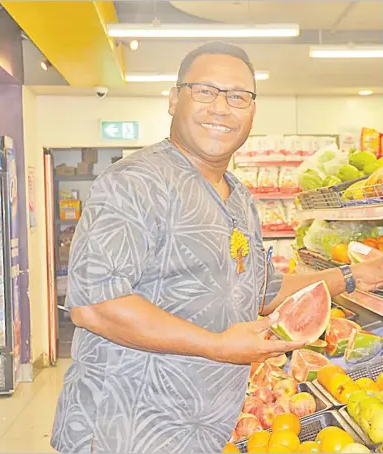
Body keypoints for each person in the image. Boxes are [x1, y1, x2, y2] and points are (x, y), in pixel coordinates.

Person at [51, 42, 383, 454]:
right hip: (128, 428)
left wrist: (355, 275)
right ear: (174, 100)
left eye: (238, 96)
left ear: (252, 111)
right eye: (205, 91)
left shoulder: (238, 196)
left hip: (204, 427)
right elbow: (96, 305)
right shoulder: (135, 182)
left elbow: (261, 290)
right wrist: (218, 344)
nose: (222, 107)